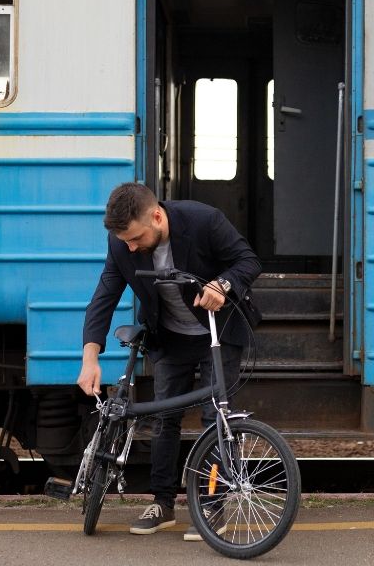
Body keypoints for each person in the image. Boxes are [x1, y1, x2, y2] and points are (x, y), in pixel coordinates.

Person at [77, 182, 261, 541]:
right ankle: (162, 504)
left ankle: (211, 504)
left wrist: (222, 284)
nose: (131, 247)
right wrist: (90, 358)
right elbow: (104, 297)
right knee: (164, 419)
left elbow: (248, 261)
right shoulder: (121, 243)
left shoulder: (204, 220)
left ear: (157, 217)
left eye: (136, 238)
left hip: (218, 330)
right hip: (170, 337)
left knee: (214, 418)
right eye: (126, 242)